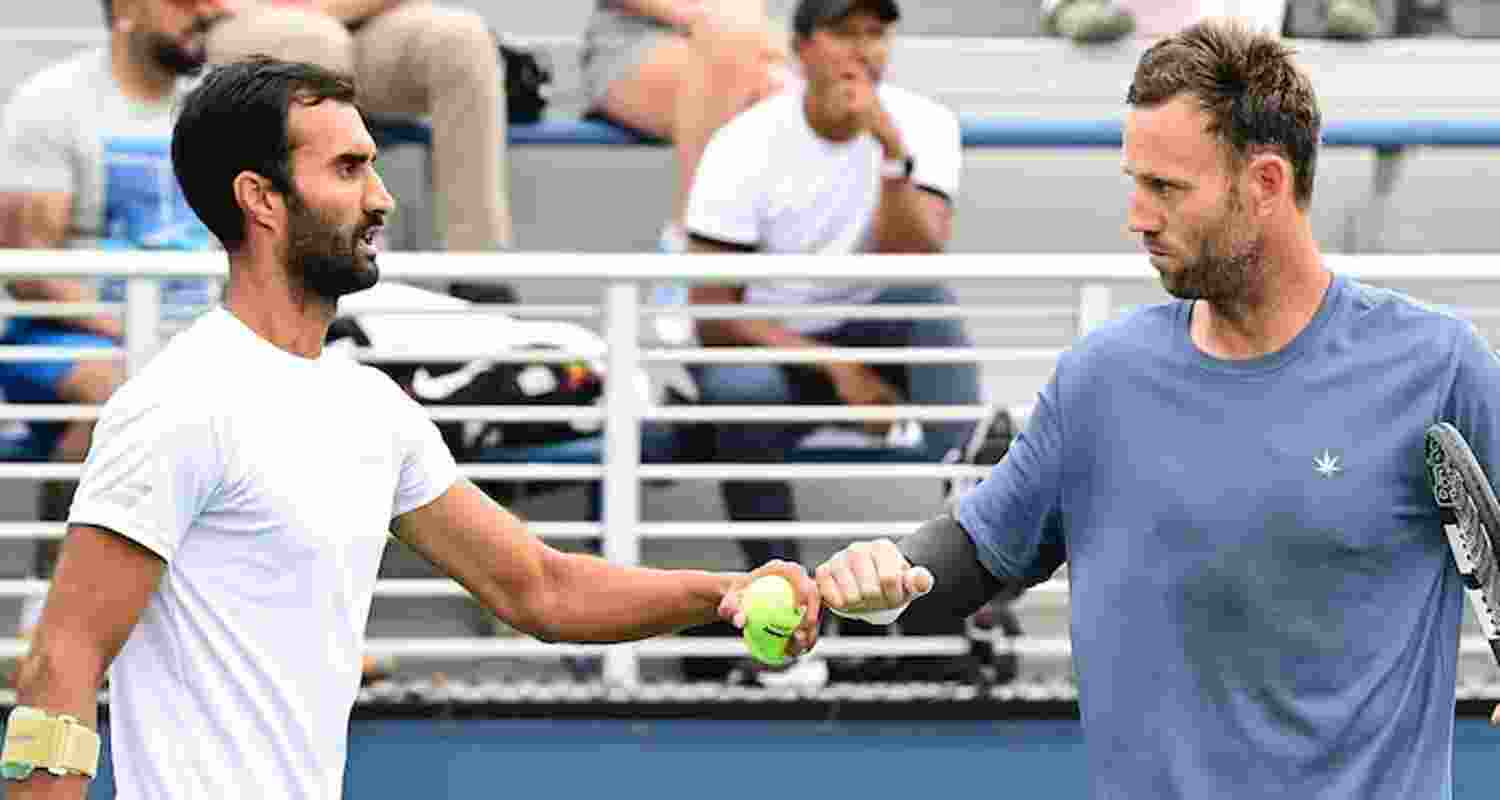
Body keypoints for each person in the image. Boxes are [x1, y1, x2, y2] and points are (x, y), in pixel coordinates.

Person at [4, 57, 818, 800]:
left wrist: (724, 594)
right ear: (261, 198)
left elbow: (540, 587)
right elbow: (60, 666)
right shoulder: (175, 404)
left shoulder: (372, 409)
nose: (382, 198)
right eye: (349, 169)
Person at [786, 18, 1500, 796]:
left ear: (1265, 184)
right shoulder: (1100, 379)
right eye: (1135, 182)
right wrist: (891, 574)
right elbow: (976, 550)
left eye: (1165, 187)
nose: (1138, 216)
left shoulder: (1436, 367)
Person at [681, 0, 980, 682]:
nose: (863, 50)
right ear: (802, 49)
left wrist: (891, 153)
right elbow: (712, 315)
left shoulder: (923, 125)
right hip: (777, 344)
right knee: (737, 392)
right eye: (845, 32)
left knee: (930, 307)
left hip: (882, 326)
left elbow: (915, 262)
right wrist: (837, 367)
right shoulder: (746, 141)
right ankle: (783, 617)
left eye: (877, 33)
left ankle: (964, 575)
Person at [0, 0, 225, 641]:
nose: (209, 11)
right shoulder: (55, 102)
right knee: (125, 403)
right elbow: (25, 262)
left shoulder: (220, 109)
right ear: (126, 8)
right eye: (185, 1)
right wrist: (135, 335)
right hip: (65, 334)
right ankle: (52, 621)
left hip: (195, 331)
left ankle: (284, 633)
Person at [206, 0, 514, 252]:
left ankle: (477, 265)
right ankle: (314, 260)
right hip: (241, 16)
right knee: (315, 40)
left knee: (463, 38)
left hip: (354, 18)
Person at [581, 0, 795, 247]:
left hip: (744, 48)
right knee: (764, 79)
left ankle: (692, 244)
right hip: (636, 44)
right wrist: (698, 18)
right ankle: (691, 242)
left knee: (780, 87)